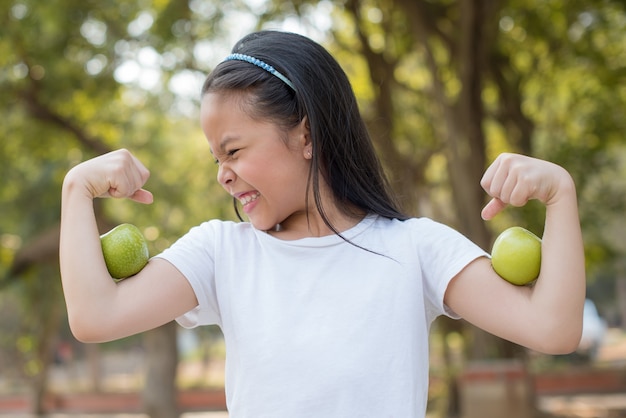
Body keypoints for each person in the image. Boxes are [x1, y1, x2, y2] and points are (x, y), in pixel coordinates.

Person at [59, 30, 586, 417]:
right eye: (215, 158)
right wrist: (76, 191)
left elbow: (553, 329)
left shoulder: (414, 248)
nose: (223, 175)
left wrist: (559, 195)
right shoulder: (221, 253)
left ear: (307, 135)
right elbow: (95, 316)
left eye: (234, 151)